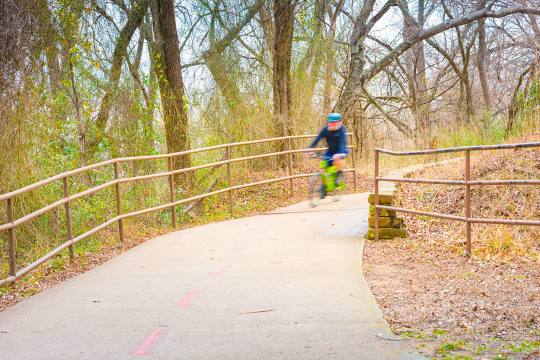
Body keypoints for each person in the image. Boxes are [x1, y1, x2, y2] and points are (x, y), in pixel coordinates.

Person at [307, 113, 349, 195]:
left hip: (341, 150)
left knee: (336, 161)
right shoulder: (326, 129)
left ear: (339, 122)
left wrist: (339, 154)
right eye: (330, 122)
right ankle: (324, 186)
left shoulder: (341, 130)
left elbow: (342, 143)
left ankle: (337, 177)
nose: (332, 124)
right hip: (330, 151)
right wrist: (310, 147)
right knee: (323, 165)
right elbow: (318, 138)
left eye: (334, 122)